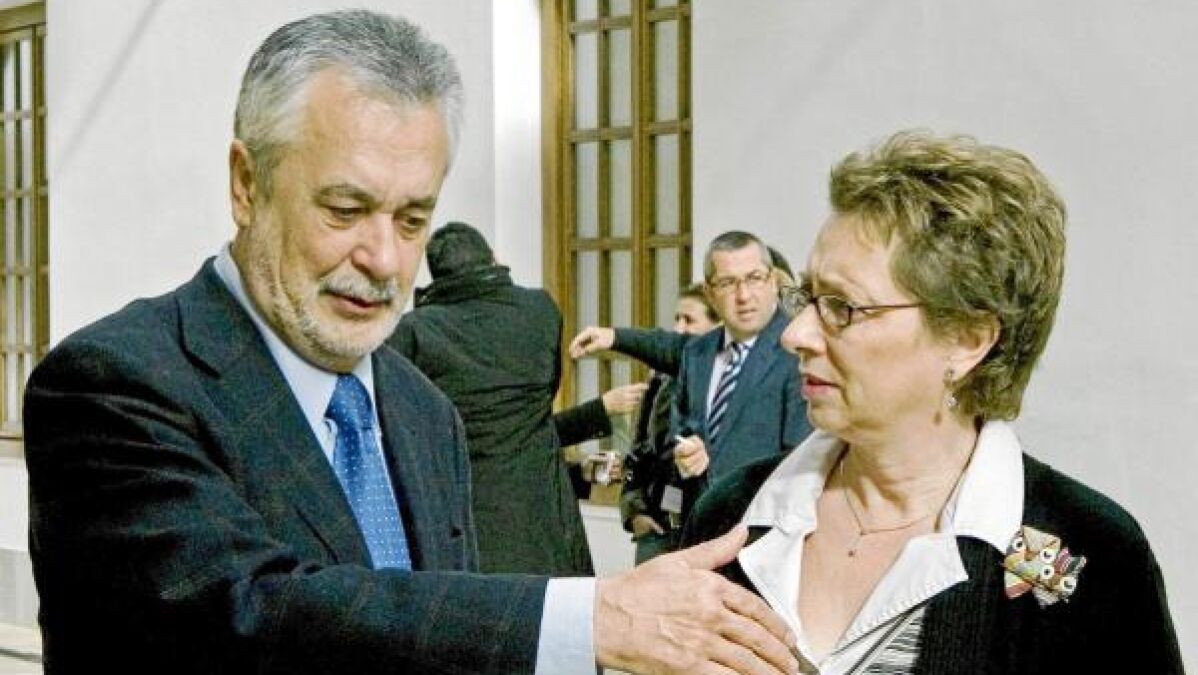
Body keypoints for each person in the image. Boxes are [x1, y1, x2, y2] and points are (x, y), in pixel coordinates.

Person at [22, 10, 800, 674]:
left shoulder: (423, 412)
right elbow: (248, 613)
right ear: (246, 184)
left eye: (411, 218)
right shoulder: (115, 383)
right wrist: (584, 619)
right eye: (344, 209)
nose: (384, 259)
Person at [681, 130, 1183, 672]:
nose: (795, 333)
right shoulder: (732, 515)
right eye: (805, 297)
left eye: (842, 307)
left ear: (967, 339)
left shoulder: (1088, 553)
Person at [388, 221, 645, 575]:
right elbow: (536, 410)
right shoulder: (539, 310)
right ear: (493, 258)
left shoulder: (413, 332)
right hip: (547, 517)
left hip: (469, 520)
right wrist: (597, 413)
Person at [571, 231, 812, 523]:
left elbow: (800, 461)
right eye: (728, 283)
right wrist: (686, 453)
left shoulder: (799, 352)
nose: (744, 296)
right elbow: (679, 428)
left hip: (761, 528)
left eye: (754, 278)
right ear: (710, 293)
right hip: (694, 526)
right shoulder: (698, 353)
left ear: (772, 281)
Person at [620, 283, 720, 563]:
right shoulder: (660, 379)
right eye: (677, 318)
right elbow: (638, 451)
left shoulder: (728, 385)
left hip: (705, 532)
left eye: (689, 320)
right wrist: (634, 512)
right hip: (657, 530)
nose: (678, 328)